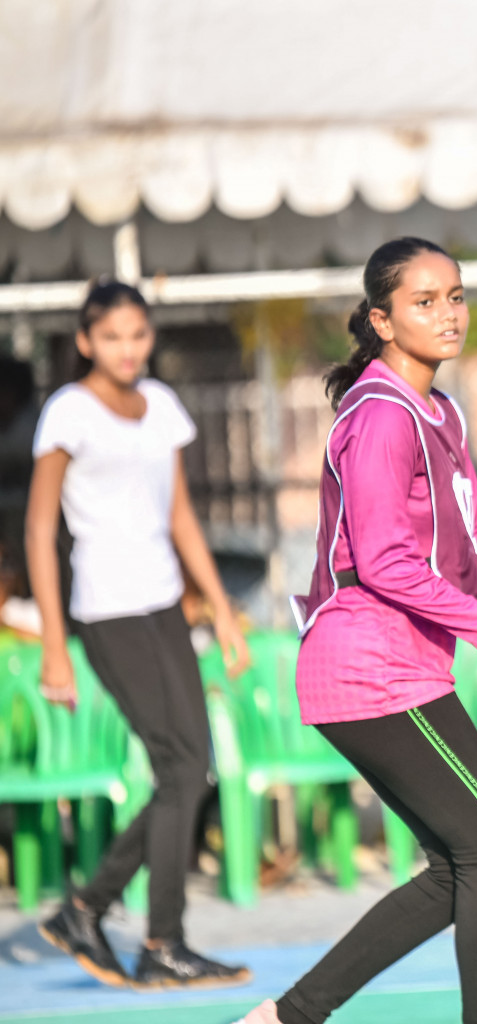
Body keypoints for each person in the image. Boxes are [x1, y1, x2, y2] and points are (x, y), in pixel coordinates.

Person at [231, 238, 477, 1024]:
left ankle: (287, 1017)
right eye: (425, 301)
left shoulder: (440, 410)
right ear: (381, 320)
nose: (449, 314)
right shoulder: (380, 415)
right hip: (362, 664)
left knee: (464, 862)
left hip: (406, 667)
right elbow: (387, 562)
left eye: (457, 296)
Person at [27, 281, 252, 990]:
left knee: (194, 765)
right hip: (105, 612)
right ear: (87, 341)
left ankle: (91, 911)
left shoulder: (163, 408)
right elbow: (39, 528)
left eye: (139, 334)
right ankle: (157, 940)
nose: (128, 348)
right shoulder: (68, 412)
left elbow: (181, 515)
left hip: (163, 605)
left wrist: (219, 606)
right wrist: (55, 648)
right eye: (113, 336)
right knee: (179, 768)